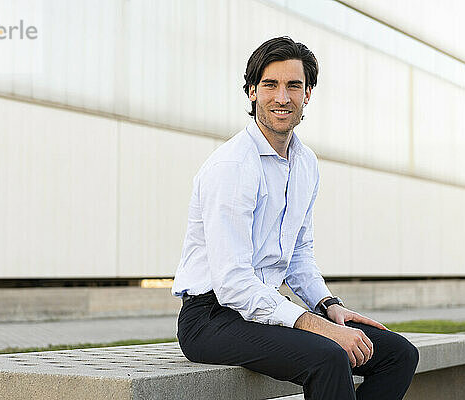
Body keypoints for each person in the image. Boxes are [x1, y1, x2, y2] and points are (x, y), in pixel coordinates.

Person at [171, 36, 419, 400]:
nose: (282, 97)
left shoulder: (305, 163)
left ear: (308, 94)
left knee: (398, 354)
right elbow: (233, 283)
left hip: (260, 310)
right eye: (270, 85)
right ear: (252, 91)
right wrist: (319, 328)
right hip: (210, 319)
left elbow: (299, 256)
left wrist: (329, 307)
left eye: (294, 85)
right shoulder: (232, 167)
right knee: (329, 357)